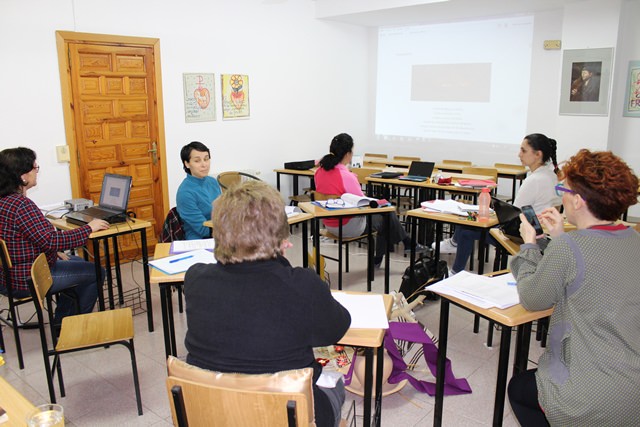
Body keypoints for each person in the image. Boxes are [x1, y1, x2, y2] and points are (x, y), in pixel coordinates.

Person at [184, 180, 351, 427]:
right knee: (336, 387)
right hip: (285, 414)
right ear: (282, 237)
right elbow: (337, 327)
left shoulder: (195, 279)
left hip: (212, 413)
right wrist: (280, 261)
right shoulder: (302, 285)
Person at [507, 149, 640, 426]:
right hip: (633, 386)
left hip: (591, 395)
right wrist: (558, 237)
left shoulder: (570, 247)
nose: (560, 196)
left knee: (519, 389)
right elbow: (595, 267)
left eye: (562, 189)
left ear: (577, 201)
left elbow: (532, 298)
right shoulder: (633, 238)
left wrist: (529, 245)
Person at [0, 147, 109, 323]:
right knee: (97, 272)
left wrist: (53, 251)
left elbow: (27, 239)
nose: (36, 171)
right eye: (34, 168)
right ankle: (70, 326)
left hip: (10, 275)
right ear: (22, 176)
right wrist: (89, 228)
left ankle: (62, 318)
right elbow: (52, 240)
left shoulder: (5, 202)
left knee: (78, 263)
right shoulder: (21, 205)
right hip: (30, 278)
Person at [435, 133, 560, 275]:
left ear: (538, 154)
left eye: (523, 150)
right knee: (469, 222)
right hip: (541, 233)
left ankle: (454, 267)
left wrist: (485, 213)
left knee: (467, 228)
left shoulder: (534, 180)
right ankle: (454, 256)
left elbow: (513, 214)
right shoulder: (551, 175)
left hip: (526, 235)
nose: (519, 154)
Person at [314, 133, 427, 267]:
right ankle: (403, 245)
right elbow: (363, 203)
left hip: (328, 224)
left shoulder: (319, 171)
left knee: (386, 215)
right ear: (348, 154)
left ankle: (399, 247)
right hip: (347, 226)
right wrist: (382, 203)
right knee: (387, 214)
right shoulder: (346, 176)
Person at [176, 141, 222, 240]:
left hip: (220, 232)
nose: (204, 164)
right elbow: (202, 229)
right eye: (197, 161)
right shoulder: (185, 192)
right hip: (200, 239)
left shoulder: (212, 182)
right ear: (187, 164)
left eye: (206, 159)